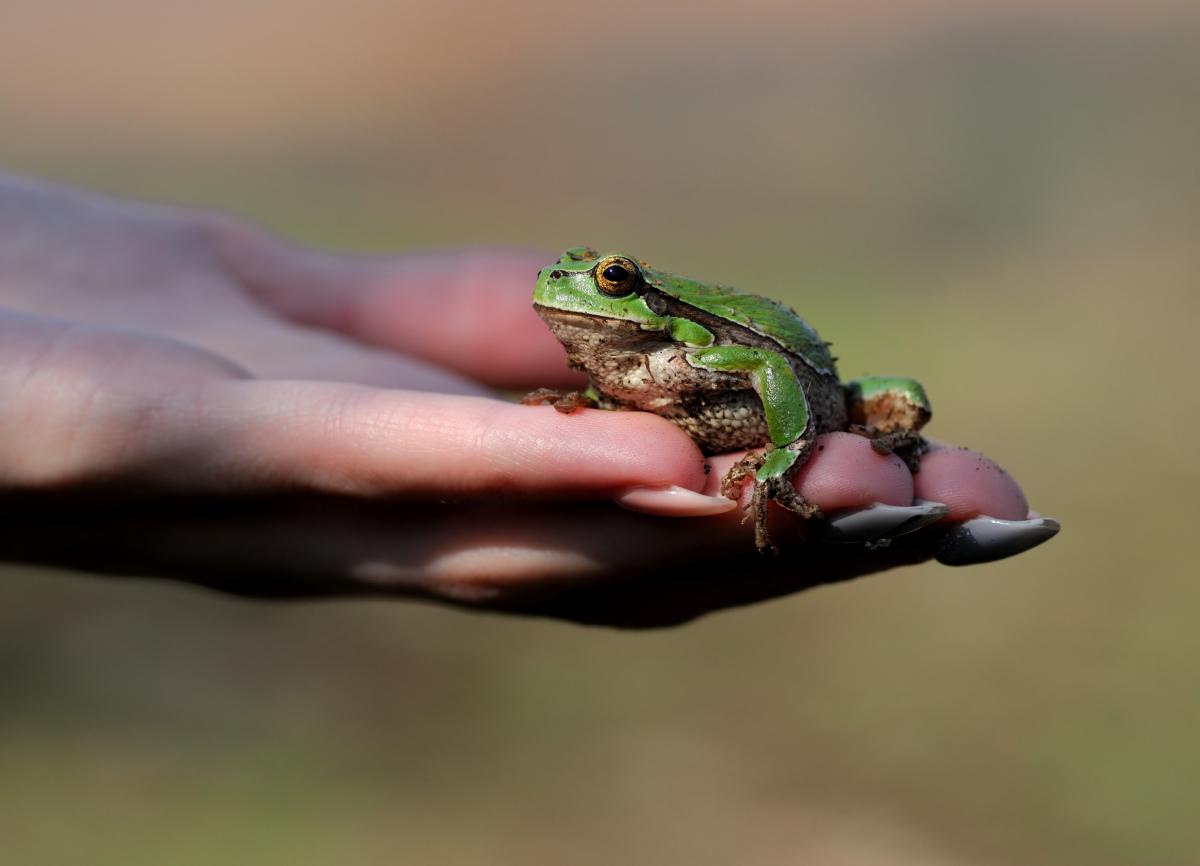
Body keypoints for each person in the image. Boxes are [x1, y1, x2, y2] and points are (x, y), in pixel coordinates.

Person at [0, 174, 1057, 627]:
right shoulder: (619, 361)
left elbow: (772, 371)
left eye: (602, 279)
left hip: (805, 396)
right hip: (672, 409)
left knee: (898, 405)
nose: (574, 292)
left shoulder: (690, 346)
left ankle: (852, 461)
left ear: (636, 294)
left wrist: (784, 454)